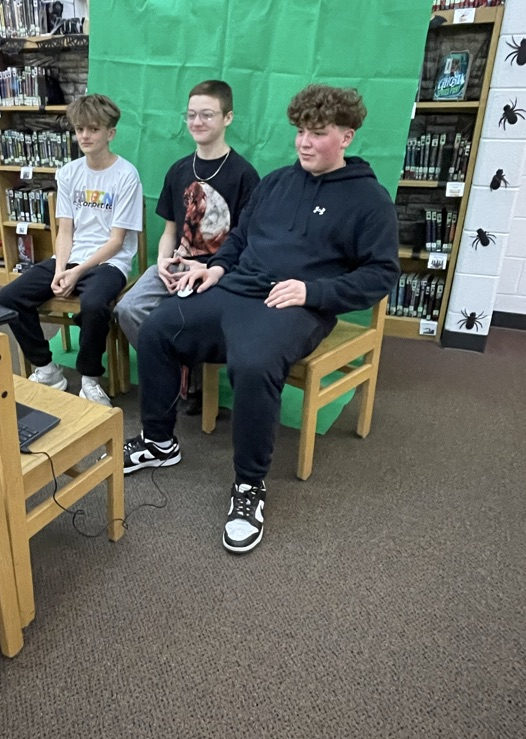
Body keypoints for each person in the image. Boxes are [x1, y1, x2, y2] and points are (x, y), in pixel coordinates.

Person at [123, 84, 400, 554]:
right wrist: (216, 268)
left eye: (317, 133)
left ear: (347, 137)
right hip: (237, 288)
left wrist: (314, 290)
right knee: (158, 327)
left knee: (252, 364)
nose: (304, 142)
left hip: (298, 305)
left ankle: (250, 486)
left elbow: (381, 273)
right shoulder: (275, 182)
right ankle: (159, 440)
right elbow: (240, 238)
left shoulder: (370, 200)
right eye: (299, 132)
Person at [114, 80, 259, 413]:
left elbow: (246, 243)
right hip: (176, 265)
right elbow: (169, 230)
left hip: (216, 274)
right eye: (191, 115)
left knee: (180, 319)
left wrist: (211, 268)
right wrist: (163, 262)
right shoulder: (178, 170)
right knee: (127, 310)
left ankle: (185, 374)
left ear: (228, 118)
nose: (197, 122)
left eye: (207, 115)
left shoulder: (244, 176)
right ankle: (174, 367)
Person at [0, 94, 144, 406]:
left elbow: (117, 241)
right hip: (70, 258)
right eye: (80, 129)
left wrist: (77, 272)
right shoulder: (68, 173)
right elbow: (65, 229)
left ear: (110, 133)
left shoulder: (126, 175)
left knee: (93, 304)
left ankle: (90, 379)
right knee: (9, 297)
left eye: (93, 129)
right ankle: (47, 368)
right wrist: (62, 268)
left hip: (109, 263)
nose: (85, 136)